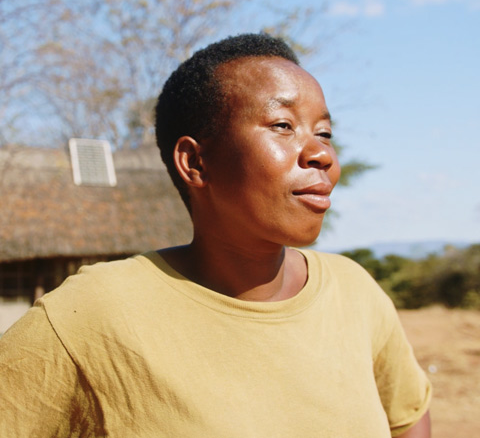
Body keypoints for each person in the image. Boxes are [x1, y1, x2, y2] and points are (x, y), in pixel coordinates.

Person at [0, 33, 431, 437]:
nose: (321, 154)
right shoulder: (91, 317)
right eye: (283, 125)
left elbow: (409, 418)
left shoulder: (355, 292)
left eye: (324, 133)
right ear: (196, 163)